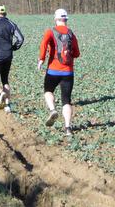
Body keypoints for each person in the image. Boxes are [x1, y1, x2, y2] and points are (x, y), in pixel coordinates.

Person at [38, 8, 80, 136]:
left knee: (48, 91)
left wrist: (41, 60)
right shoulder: (71, 34)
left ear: (56, 19)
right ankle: (68, 128)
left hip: (53, 71)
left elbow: (43, 45)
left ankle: (52, 110)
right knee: (66, 101)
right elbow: (77, 53)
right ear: (66, 19)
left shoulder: (50, 31)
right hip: (68, 72)